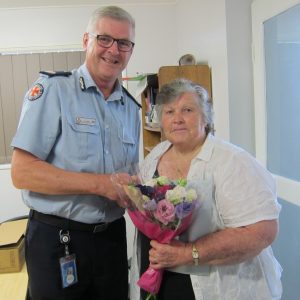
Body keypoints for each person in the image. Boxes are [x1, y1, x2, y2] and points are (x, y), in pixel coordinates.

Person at [11, 6, 140, 300]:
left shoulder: (131, 109)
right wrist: (101, 184)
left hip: (112, 239)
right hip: (58, 239)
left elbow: (130, 176)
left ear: (131, 49)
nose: (113, 50)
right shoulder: (54, 90)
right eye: (104, 39)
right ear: (86, 41)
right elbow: (22, 172)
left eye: (124, 43)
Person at [130, 78, 282, 300]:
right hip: (160, 279)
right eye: (169, 112)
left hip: (217, 287)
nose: (177, 119)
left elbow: (262, 231)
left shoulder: (233, 162)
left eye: (187, 110)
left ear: (206, 117)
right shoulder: (156, 155)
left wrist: (187, 254)